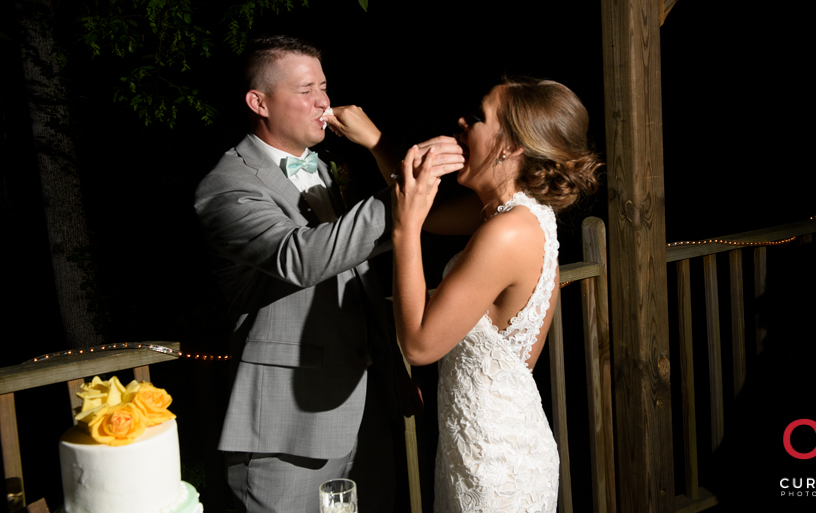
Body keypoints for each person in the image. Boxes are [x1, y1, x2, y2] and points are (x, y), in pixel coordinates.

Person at [194, 35, 463, 513]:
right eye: (305, 91)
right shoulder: (226, 186)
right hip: (288, 424)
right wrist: (407, 184)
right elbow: (301, 258)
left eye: (323, 86)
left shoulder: (321, 169)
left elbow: (357, 275)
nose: (323, 102)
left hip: (364, 402)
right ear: (259, 102)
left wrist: (394, 370)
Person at [389, 78, 601, 512]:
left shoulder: (506, 233)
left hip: (493, 464)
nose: (463, 123)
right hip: (476, 446)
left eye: (480, 117)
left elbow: (418, 344)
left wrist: (402, 229)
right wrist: (377, 142)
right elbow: (429, 216)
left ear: (510, 147)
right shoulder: (513, 213)